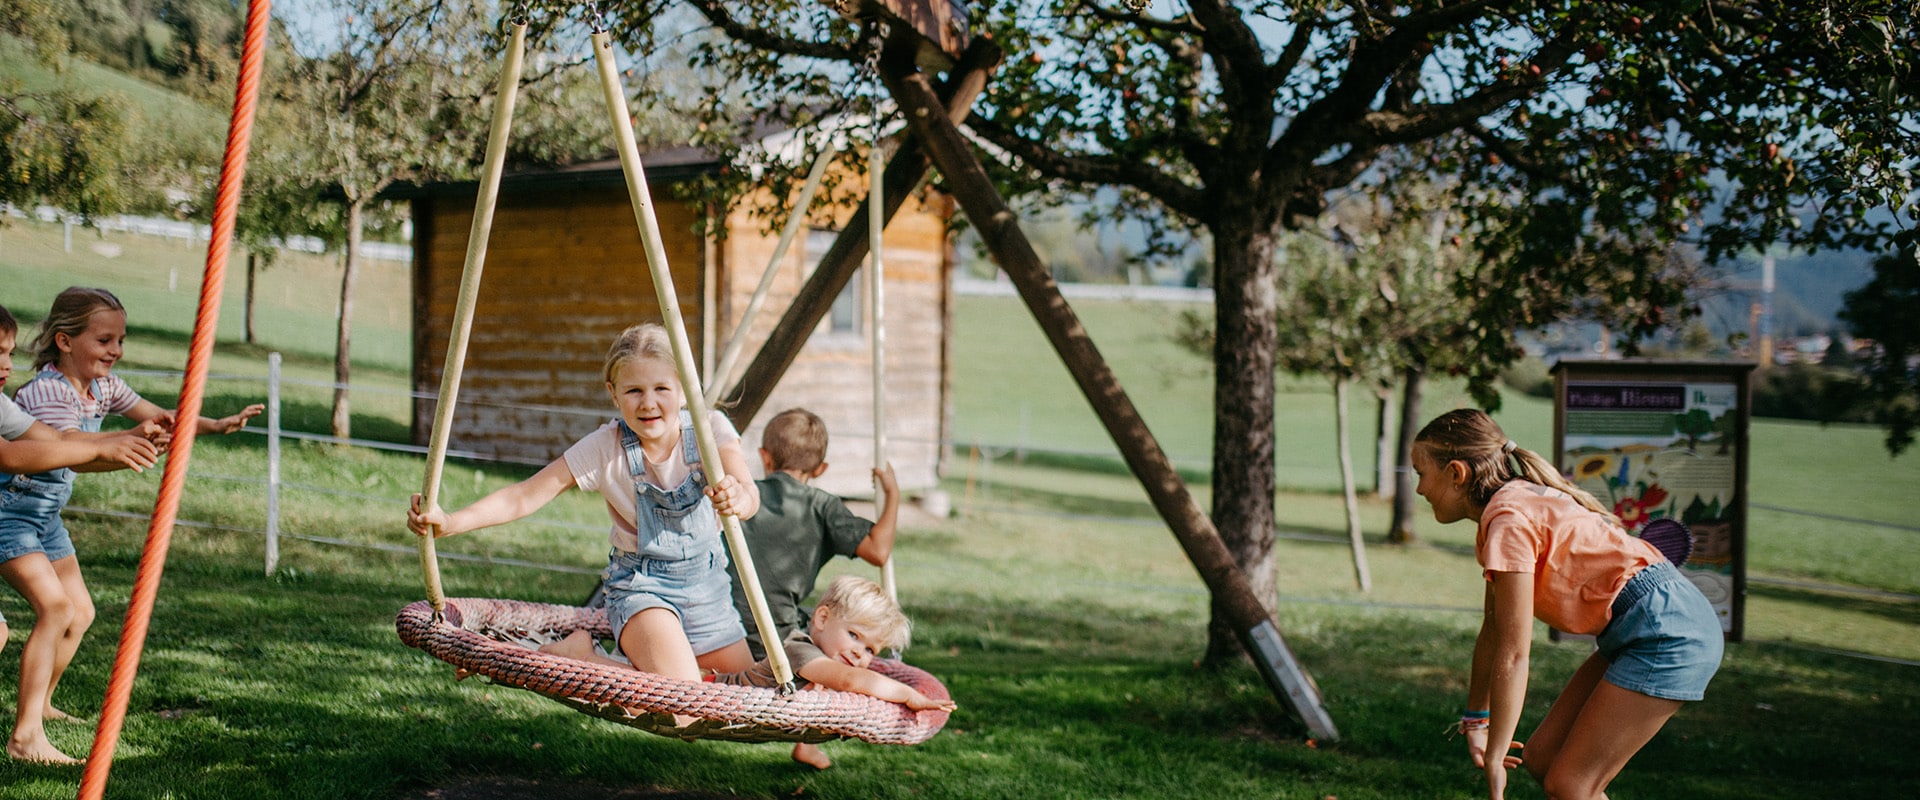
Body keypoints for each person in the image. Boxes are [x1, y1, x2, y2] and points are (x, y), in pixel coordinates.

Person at [409, 323, 761, 699]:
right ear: (613, 394)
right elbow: (525, 495)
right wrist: (451, 522)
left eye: (661, 388)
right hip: (645, 590)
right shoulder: (605, 448)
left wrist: (738, 497)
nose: (648, 403)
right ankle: (584, 659)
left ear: (684, 390)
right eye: (634, 391)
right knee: (683, 703)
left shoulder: (709, 431)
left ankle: (623, 669)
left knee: (743, 696)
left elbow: (748, 491)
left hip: (708, 592)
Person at [1411, 408, 1723, 800]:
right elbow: (1493, 629)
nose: (1419, 489)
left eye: (1420, 474)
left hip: (1667, 630)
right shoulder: (1508, 509)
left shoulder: (1509, 520)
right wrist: (1477, 720)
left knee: (1572, 784)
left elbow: (1514, 654)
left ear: (1456, 473)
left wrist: (1494, 758)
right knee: (1543, 759)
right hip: (1647, 624)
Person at [5, 290, 243, 765]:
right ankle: (24, 737)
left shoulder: (104, 388)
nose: (115, 349)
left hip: (45, 518)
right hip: (12, 509)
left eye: (120, 339)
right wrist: (121, 448)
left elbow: (156, 419)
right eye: (104, 339)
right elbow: (63, 451)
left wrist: (212, 424)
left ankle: (42, 703)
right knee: (54, 610)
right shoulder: (48, 391)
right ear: (64, 341)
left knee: (81, 612)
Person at [545, 574, 953, 761]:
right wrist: (908, 695)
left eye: (870, 648)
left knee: (641, 689)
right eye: (855, 637)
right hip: (711, 691)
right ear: (823, 619)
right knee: (640, 692)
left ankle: (591, 655)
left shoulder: (820, 657)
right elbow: (849, 679)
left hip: (723, 698)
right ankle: (584, 653)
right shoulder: (799, 651)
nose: (861, 654)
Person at [725, 407, 898, 767]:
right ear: (820, 470)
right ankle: (808, 736)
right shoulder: (822, 506)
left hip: (718, 621)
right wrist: (892, 494)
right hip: (772, 638)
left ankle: (804, 736)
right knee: (827, 632)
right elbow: (879, 551)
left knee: (821, 623)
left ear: (764, 457)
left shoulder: (741, 495)